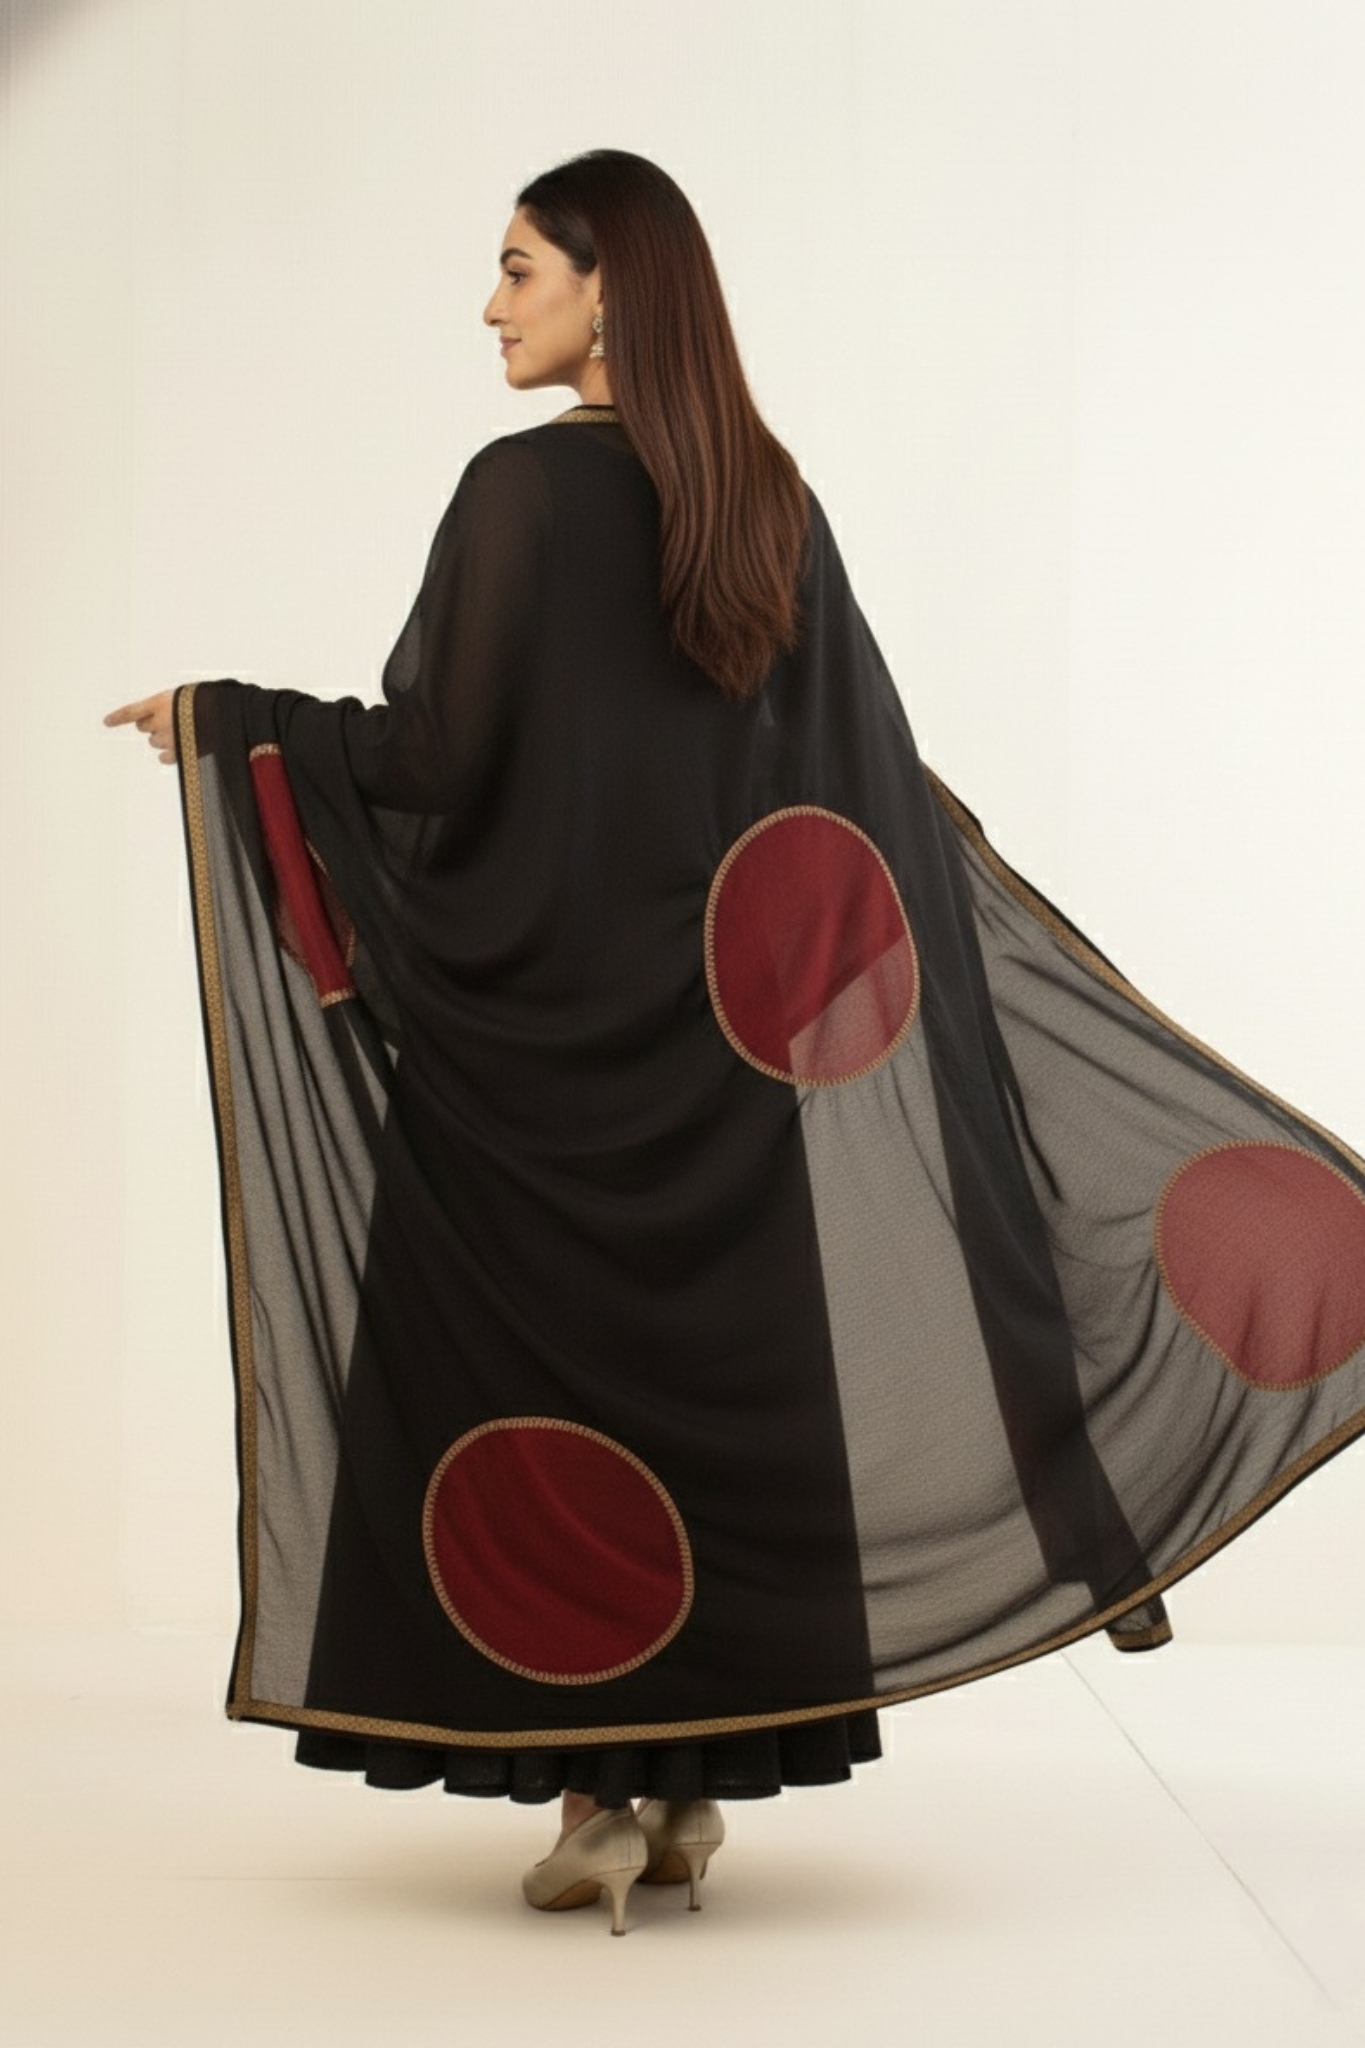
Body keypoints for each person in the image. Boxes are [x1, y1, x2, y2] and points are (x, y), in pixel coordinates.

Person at [105, 149, 1365, 1938]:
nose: (490, 306)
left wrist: (229, 721)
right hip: (725, 1078)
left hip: (545, 1065)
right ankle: (691, 1794)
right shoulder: (769, 498)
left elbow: (434, 760)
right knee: (705, 1400)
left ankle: (596, 1802)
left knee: (549, 1403)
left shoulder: (522, 493)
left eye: (518, 269)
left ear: (609, 287)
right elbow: (854, 782)